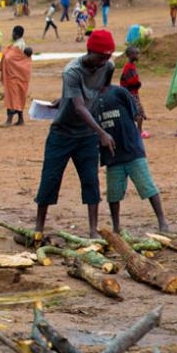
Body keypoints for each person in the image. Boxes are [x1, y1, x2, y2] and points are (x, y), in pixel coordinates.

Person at [34, 29, 116, 238]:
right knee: (50, 179)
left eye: (107, 57)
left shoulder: (108, 66)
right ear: (90, 51)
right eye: (101, 57)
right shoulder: (72, 71)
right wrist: (102, 133)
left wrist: (69, 98)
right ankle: (38, 228)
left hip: (87, 135)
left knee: (90, 180)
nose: (103, 62)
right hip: (62, 133)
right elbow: (79, 108)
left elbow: (103, 90)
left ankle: (92, 229)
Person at [97, 70, 168, 233]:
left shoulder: (119, 92)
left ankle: (162, 220)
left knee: (147, 186)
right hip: (112, 154)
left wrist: (137, 134)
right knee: (113, 193)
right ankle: (116, 226)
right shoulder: (92, 98)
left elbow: (137, 114)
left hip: (132, 150)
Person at [0, 26, 32, 126]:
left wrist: (5, 54)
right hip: (18, 75)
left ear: (16, 34)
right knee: (19, 96)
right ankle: (21, 119)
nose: (12, 35)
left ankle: (9, 120)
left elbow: (9, 59)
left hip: (14, 75)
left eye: (13, 33)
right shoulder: (21, 44)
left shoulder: (18, 46)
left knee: (12, 97)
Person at [120, 45, 148, 138]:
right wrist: (138, 84)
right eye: (136, 53)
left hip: (132, 93)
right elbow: (130, 82)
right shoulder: (129, 67)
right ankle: (139, 132)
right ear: (130, 55)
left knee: (133, 112)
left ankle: (136, 131)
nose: (138, 55)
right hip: (130, 94)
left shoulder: (130, 66)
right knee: (138, 112)